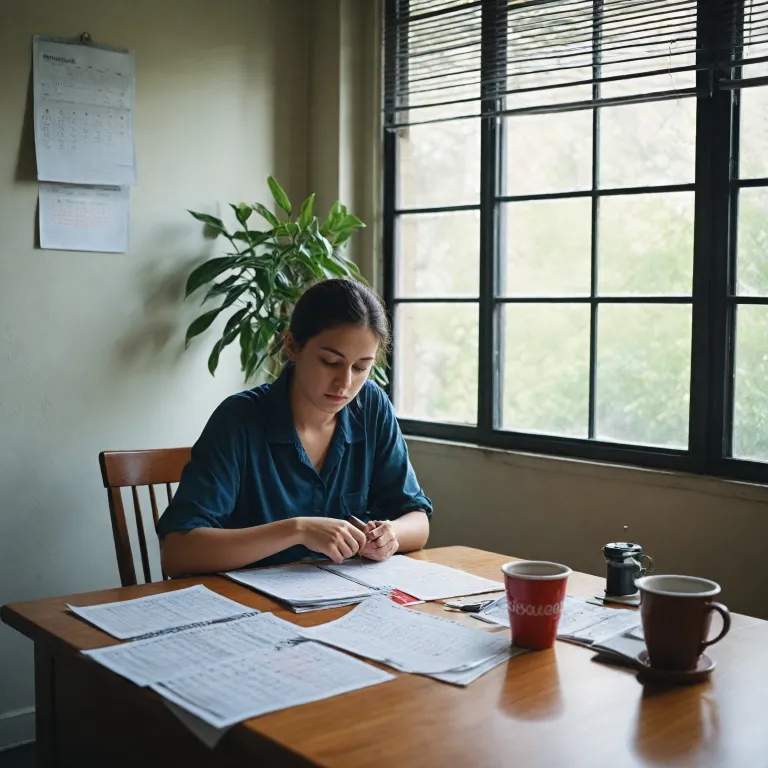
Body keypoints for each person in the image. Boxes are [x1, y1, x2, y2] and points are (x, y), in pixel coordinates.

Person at [158, 278, 432, 577]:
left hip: (344, 602)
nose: (345, 383)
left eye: (360, 367)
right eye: (330, 362)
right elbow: (177, 552)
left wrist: (391, 535)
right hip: (248, 607)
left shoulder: (372, 407)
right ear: (292, 346)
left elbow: (417, 521)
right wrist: (297, 530)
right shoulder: (239, 419)